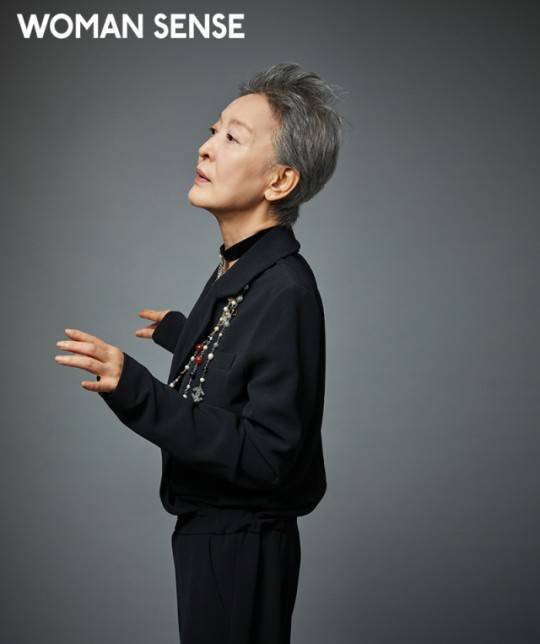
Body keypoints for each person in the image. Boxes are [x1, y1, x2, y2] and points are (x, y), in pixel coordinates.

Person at [54, 62, 344, 644]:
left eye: (232, 138)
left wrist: (134, 388)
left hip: (242, 543)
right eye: (213, 130)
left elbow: (266, 456)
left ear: (280, 181)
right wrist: (180, 332)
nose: (206, 147)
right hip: (214, 536)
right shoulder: (243, 266)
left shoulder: (286, 289)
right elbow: (240, 358)